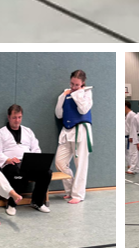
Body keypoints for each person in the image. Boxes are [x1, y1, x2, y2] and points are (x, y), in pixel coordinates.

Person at [0, 104, 52, 215]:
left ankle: (38, 202)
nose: (17, 120)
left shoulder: (28, 131)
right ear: (9, 117)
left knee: (47, 173)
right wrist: (8, 160)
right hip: (10, 165)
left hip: (28, 163)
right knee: (17, 173)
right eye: (14, 117)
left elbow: (36, 148)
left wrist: (35, 160)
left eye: (19, 117)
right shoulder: (1, 133)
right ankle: (12, 204)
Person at [55, 70, 92, 203]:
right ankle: (70, 189)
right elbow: (59, 114)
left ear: (83, 83)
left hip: (81, 130)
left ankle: (78, 194)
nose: (73, 87)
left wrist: (77, 93)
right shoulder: (66, 93)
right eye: (72, 84)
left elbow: (83, 109)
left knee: (80, 163)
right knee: (60, 162)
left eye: (77, 84)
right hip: (67, 131)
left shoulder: (86, 93)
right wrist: (62, 96)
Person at [125, 101, 137, 175]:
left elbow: (133, 127)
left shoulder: (132, 115)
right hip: (127, 136)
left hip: (131, 136)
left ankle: (133, 168)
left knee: (133, 153)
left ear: (125, 106)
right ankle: (130, 165)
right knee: (127, 152)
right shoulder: (127, 115)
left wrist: (132, 136)